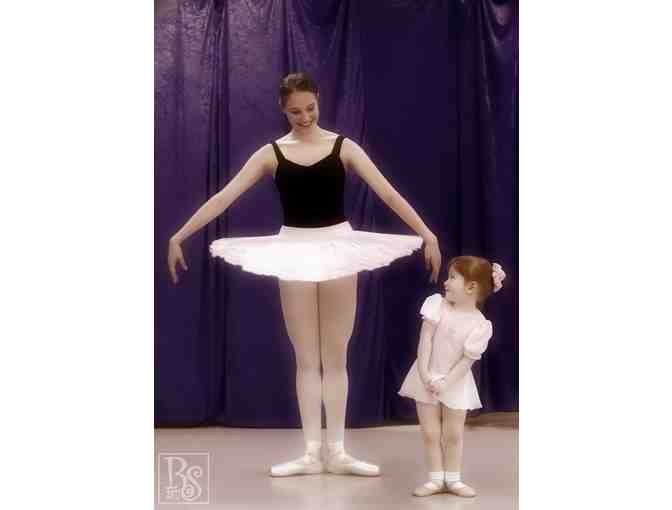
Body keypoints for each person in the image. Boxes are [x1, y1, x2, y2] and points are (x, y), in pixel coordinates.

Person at [167, 72, 442, 477]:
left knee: (336, 355)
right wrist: (180, 234)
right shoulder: (271, 154)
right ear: (283, 109)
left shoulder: (343, 147)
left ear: (318, 100)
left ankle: (338, 450)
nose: (305, 117)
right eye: (295, 111)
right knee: (306, 358)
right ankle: (312, 452)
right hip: (293, 249)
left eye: (310, 108)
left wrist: (427, 233)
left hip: (338, 247)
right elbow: (224, 197)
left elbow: (387, 192)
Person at [398, 256, 506, 497]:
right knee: (430, 433)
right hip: (426, 377)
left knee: (453, 434)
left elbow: (467, 360)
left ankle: (454, 479)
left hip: (456, 382)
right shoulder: (437, 306)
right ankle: (436, 479)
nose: (445, 282)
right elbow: (425, 340)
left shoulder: (480, 325)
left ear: (471, 287)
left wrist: (446, 382)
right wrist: (425, 374)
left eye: (453, 277)